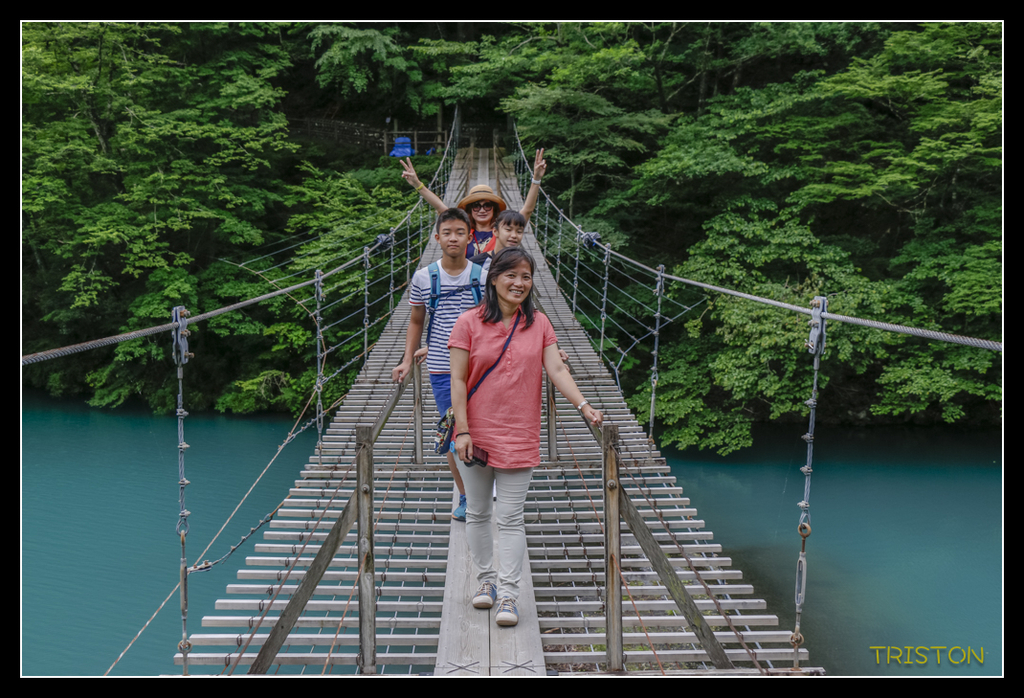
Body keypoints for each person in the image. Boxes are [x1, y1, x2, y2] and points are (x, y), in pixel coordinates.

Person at [448, 247, 603, 627]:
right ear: (493, 279)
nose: (519, 283)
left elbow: (557, 369)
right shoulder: (467, 323)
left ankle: (509, 595)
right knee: (478, 512)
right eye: (511, 275)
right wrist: (462, 430)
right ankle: (486, 581)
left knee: (511, 517)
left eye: (526, 277)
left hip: (519, 432)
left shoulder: (540, 324)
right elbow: (457, 380)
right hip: (475, 433)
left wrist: (584, 405)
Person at [392, 207, 485, 521]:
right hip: (443, 368)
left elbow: (495, 322)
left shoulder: (483, 277)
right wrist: (407, 360)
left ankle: (484, 489)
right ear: (437, 238)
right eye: (447, 233)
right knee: (454, 433)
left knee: (482, 428)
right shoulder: (424, 277)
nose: (453, 238)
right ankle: (467, 495)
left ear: (470, 237)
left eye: (460, 232)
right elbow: (416, 320)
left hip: (479, 367)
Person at [400, 149, 548, 257]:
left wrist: (536, 179)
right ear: (470, 210)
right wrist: (418, 184)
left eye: (487, 205)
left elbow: (527, 211)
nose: (482, 210)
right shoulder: (464, 230)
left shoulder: (503, 230)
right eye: (476, 206)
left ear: (494, 208)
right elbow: (440, 208)